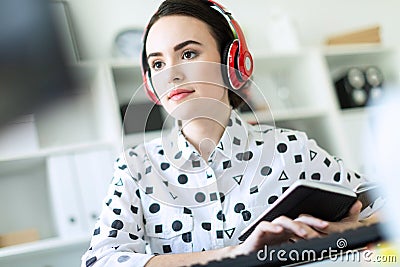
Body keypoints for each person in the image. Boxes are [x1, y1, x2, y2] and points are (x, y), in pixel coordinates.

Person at [81, 1, 377, 266]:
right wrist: (235, 254)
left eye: (188, 53)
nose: (170, 74)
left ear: (231, 61)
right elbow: (100, 260)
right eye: (157, 63)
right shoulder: (136, 167)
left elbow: (387, 205)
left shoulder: (292, 149)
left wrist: (341, 233)